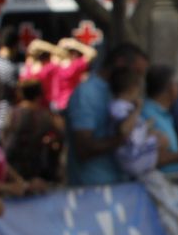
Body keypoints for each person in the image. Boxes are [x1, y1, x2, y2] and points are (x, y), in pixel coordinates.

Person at [64, 42, 149, 186]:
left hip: (121, 185)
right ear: (120, 63)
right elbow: (83, 148)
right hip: (93, 189)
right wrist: (123, 138)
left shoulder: (125, 94)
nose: (139, 80)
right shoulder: (86, 93)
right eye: (137, 72)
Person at [107, 65, 161, 179]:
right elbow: (124, 129)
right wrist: (137, 109)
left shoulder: (126, 107)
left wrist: (147, 127)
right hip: (132, 158)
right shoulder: (118, 107)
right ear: (133, 89)